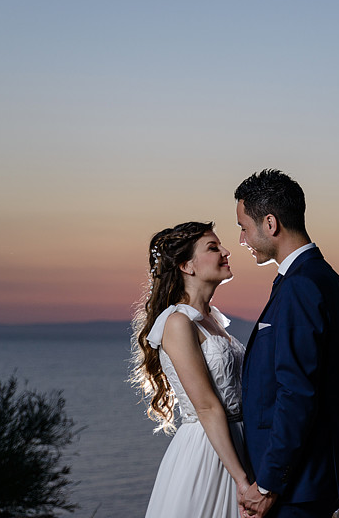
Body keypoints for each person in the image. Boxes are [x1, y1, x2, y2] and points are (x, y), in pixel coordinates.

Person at [234, 169, 339, 518]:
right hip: (312, 478)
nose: (242, 240)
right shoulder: (322, 277)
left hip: (297, 484)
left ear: (271, 223)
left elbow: (297, 391)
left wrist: (269, 483)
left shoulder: (301, 285)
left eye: (244, 228)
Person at [130, 221, 254, 518]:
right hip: (208, 452)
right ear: (187, 266)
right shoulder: (177, 323)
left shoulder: (212, 319)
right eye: (213, 248)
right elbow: (208, 407)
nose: (226, 251)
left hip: (238, 442)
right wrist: (241, 480)